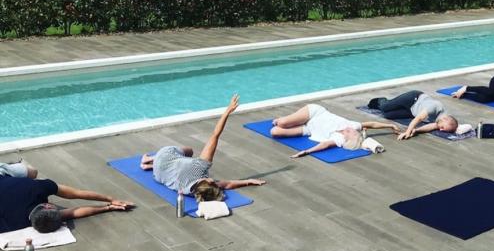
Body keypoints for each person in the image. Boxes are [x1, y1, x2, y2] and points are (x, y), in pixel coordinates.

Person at [140, 94, 265, 201]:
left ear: (210, 182)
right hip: (158, 175)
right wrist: (247, 181)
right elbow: (227, 184)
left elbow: (215, 134)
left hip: (164, 156)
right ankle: (149, 164)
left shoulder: (200, 166)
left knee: (189, 151)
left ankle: (149, 159)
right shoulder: (188, 191)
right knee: (181, 161)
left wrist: (228, 111)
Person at [0, 175, 134, 234]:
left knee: (29, 172)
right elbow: (75, 201)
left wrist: (110, 203)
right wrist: (108, 204)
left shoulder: (36, 188)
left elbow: (76, 196)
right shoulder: (17, 223)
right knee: (30, 172)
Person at [270, 104, 401, 158]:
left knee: (275, 132)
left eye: (352, 132)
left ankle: (293, 122)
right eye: (355, 131)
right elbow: (372, 124)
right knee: (281, 123)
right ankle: (286, 119)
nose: (352, 130)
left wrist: (306, 151)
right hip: (314, 113)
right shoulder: (353, 125)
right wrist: (389, 126)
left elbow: (324, 145)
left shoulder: (339, 139)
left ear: (346, 136)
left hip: (309, 129)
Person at [367, 90, 458, 139]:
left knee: (388, 115)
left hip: (413, 111)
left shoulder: (441, 121)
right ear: (445, 119)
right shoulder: (435, 107)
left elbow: (431, 126)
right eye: (443, 128)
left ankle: (400, 108)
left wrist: (416, 131)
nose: (440, 129)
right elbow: (417, 119)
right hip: (413, 98)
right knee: (384, 107)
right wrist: (407, 132)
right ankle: (382, 100)